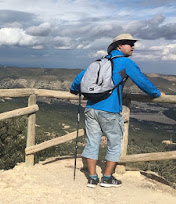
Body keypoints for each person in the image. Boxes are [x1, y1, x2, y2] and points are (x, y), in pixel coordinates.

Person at [70, 33, 164, 188]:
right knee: (114, 144)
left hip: (91, 108)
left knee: (92, 143)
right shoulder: (125, 63)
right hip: (110, 110)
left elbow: (79, 80)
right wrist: (156, 94)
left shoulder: (100, 61)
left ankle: (92, 178)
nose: (133, 47)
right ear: (119, 45)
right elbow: (143, 82)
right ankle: (107, 178)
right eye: (130, 43)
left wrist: (73, 90)